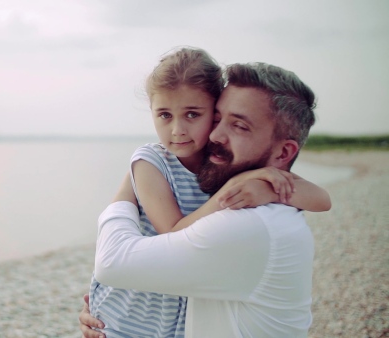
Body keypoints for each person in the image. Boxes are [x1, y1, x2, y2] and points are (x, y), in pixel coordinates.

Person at [84, 49, 330, 337]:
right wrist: (229, 192)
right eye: (164, 115)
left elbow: (322, 199)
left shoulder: (233, 178)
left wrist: (266, 189)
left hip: (172, 302)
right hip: (140, 302)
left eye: (194, 114)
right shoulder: (163, 163)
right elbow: (171, 234)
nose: (178, 130)